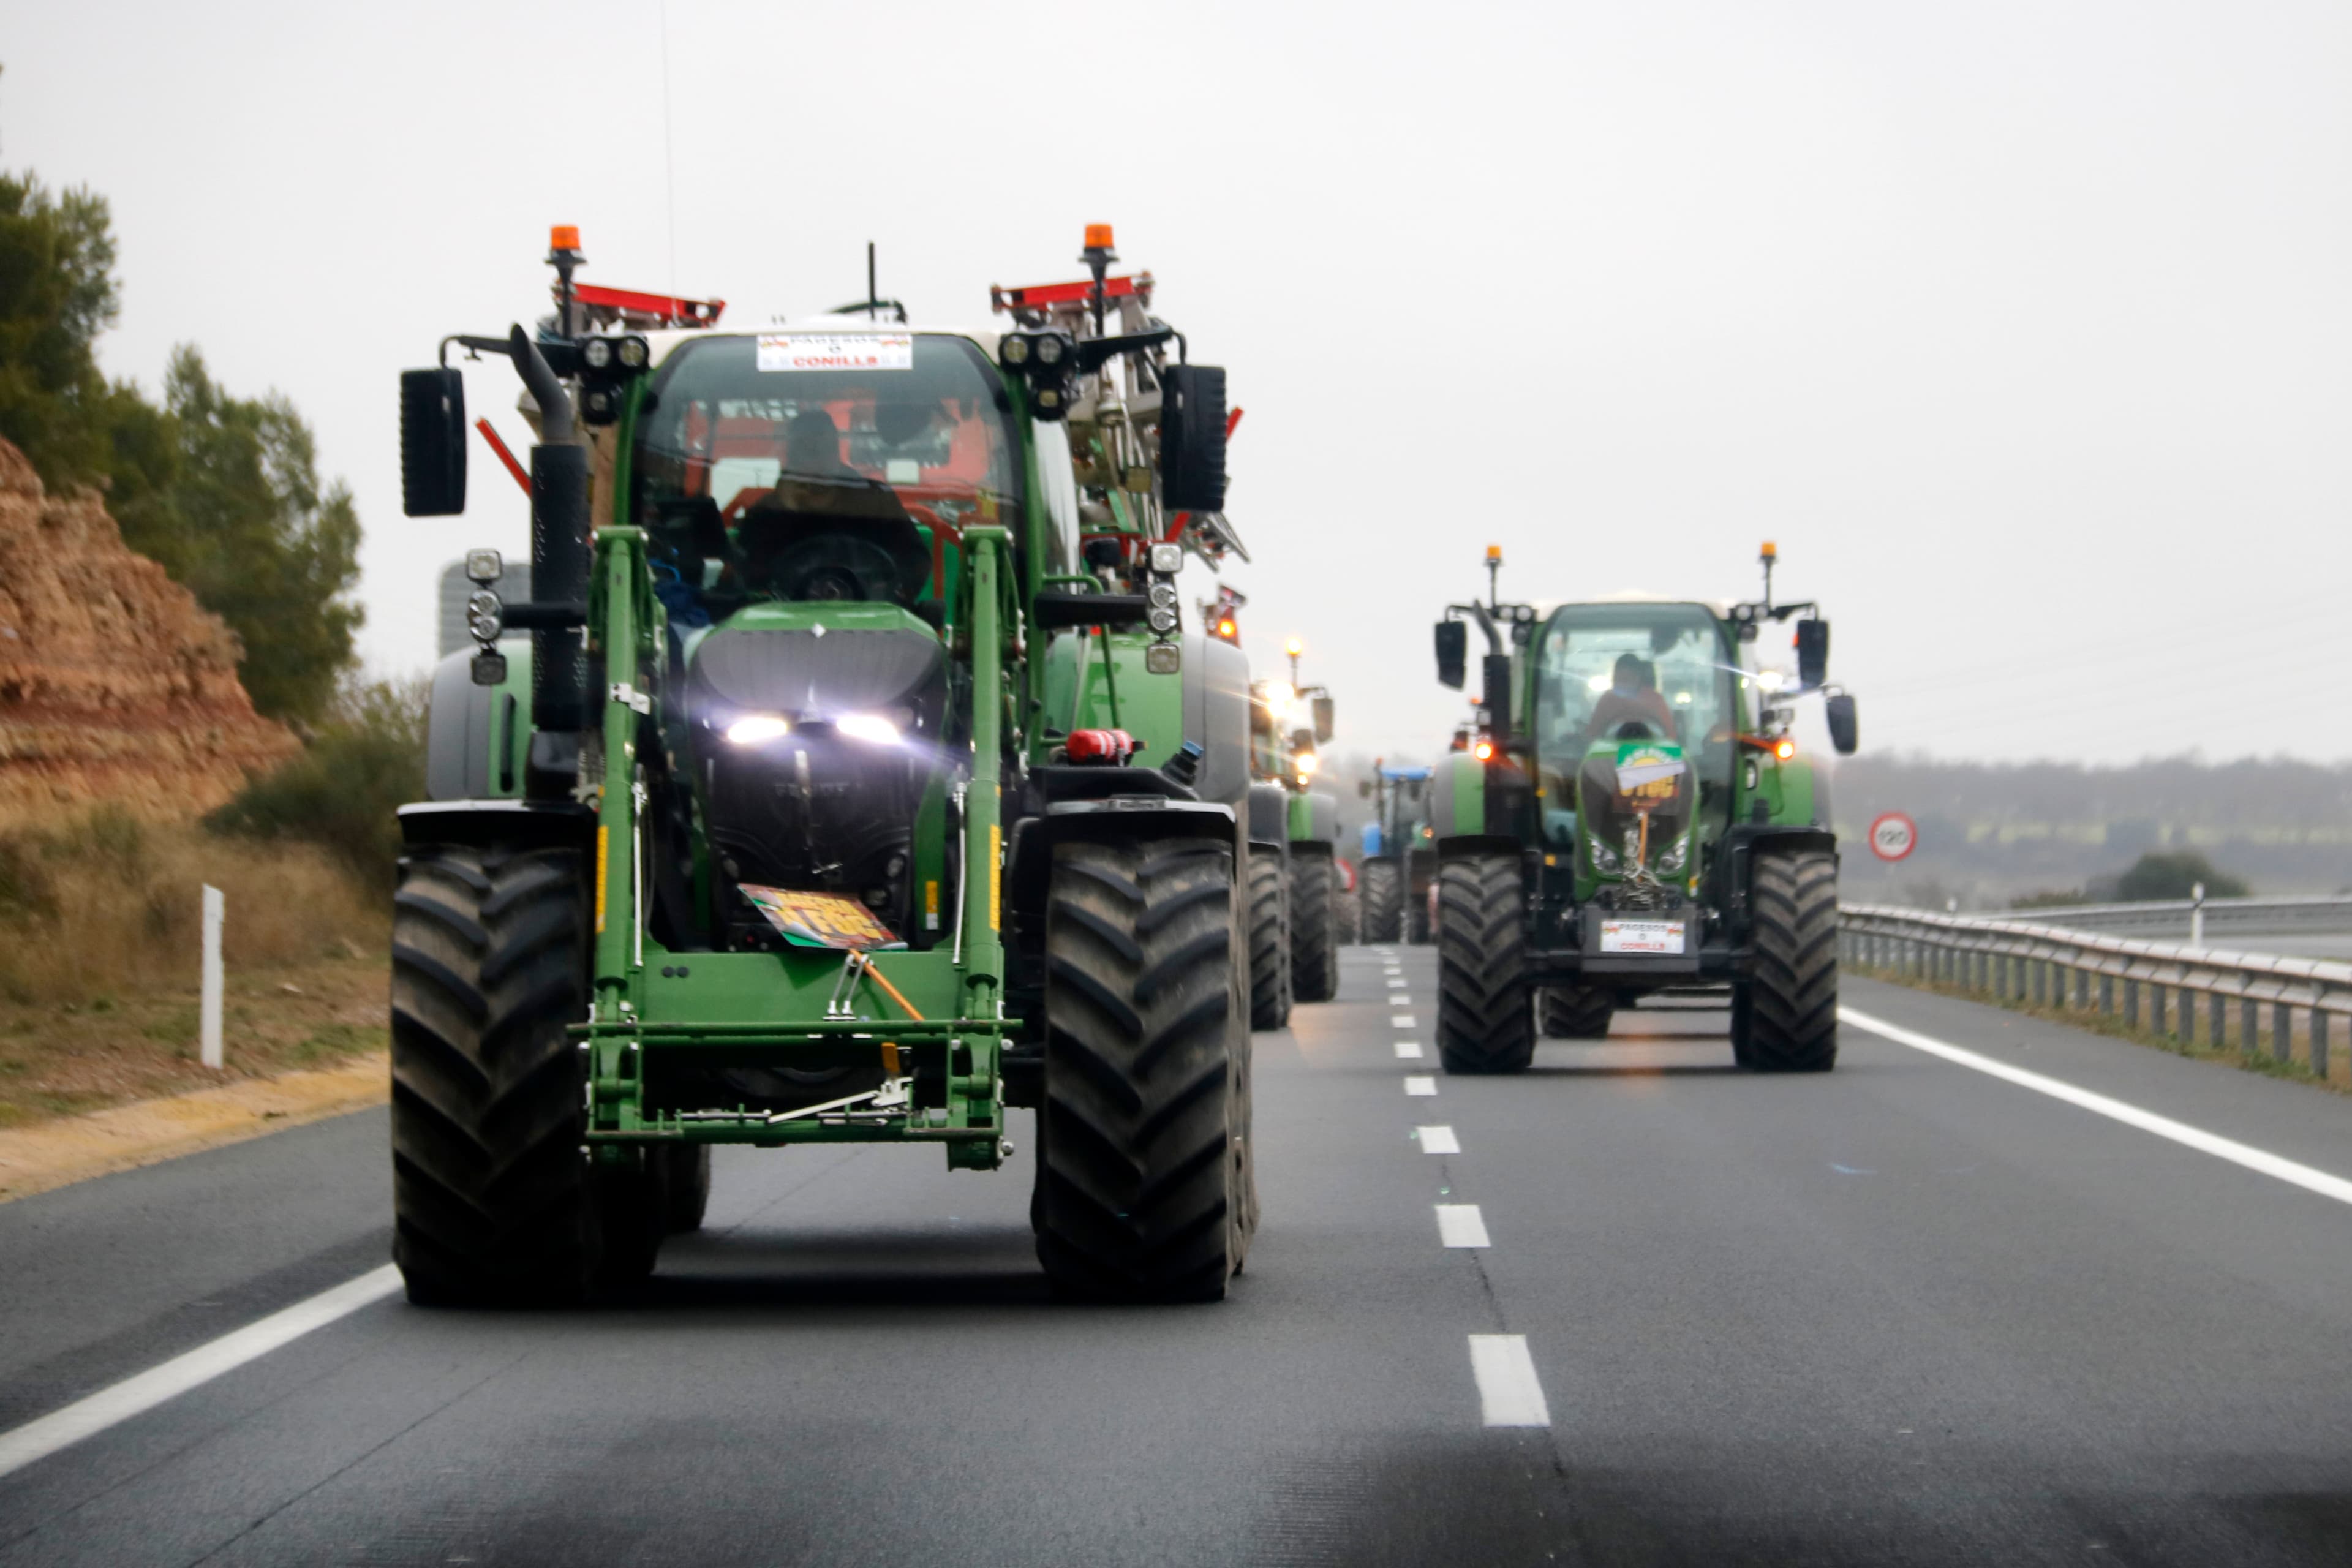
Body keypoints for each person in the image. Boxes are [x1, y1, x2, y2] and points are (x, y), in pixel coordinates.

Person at [1583, 653, 1679, 745]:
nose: (1622, 683)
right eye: (1618, 678)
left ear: (1638, 678)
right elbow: (1593, 734)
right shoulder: (1608, 699)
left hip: (1655, 753)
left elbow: (1670, 735)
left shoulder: (1654, 699)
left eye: (1627, 678)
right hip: (1611, 755)